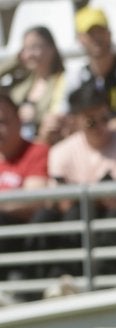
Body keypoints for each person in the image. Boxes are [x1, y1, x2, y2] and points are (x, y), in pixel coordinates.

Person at [35, 83, 116, 277]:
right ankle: (58, 277)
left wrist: (85, 193)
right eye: (91, 123)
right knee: (68, 215)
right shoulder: (61, 152)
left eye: (105, 119)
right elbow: (60, 202)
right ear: (75, 122)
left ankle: (105, 277)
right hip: (84, 224)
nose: (102, 127)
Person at [60, 6, 116, 136]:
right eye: (90, 33)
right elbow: (61, 120)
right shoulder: (72, 76)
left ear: (109, 33)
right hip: (84, 145)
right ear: (80, 39)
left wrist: (89, 127)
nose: (97, 38)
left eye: (100, 31)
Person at [0, 95, 49, 277]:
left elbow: (34, 200)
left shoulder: (36, 152)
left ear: (19, 121)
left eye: (3, 121)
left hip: (19, 241)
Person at [1, 26, 69, 144]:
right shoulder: (21, 82)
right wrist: (16, 60)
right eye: (25, 49)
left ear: (51, 48)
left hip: (43, 144)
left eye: (35, 47)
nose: (30, 54)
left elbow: (57, 118)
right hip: (14, 147)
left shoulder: (62, 80)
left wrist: (36, 115)